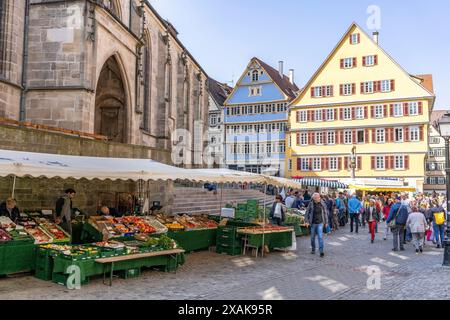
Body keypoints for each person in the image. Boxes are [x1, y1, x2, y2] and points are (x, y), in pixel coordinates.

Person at [305, 193, 328, 257]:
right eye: (316, 197)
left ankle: (321, 251)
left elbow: (325, 213)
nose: (318, 198)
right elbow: (307, 212)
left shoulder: (322, 203)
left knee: (320, 237)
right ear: (313, 198)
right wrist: (306, 221)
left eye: (318, 197)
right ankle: (313, 249)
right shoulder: (311, 203)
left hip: (320, 222)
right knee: (312, 238)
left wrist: (326, 222)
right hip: (313, 223)